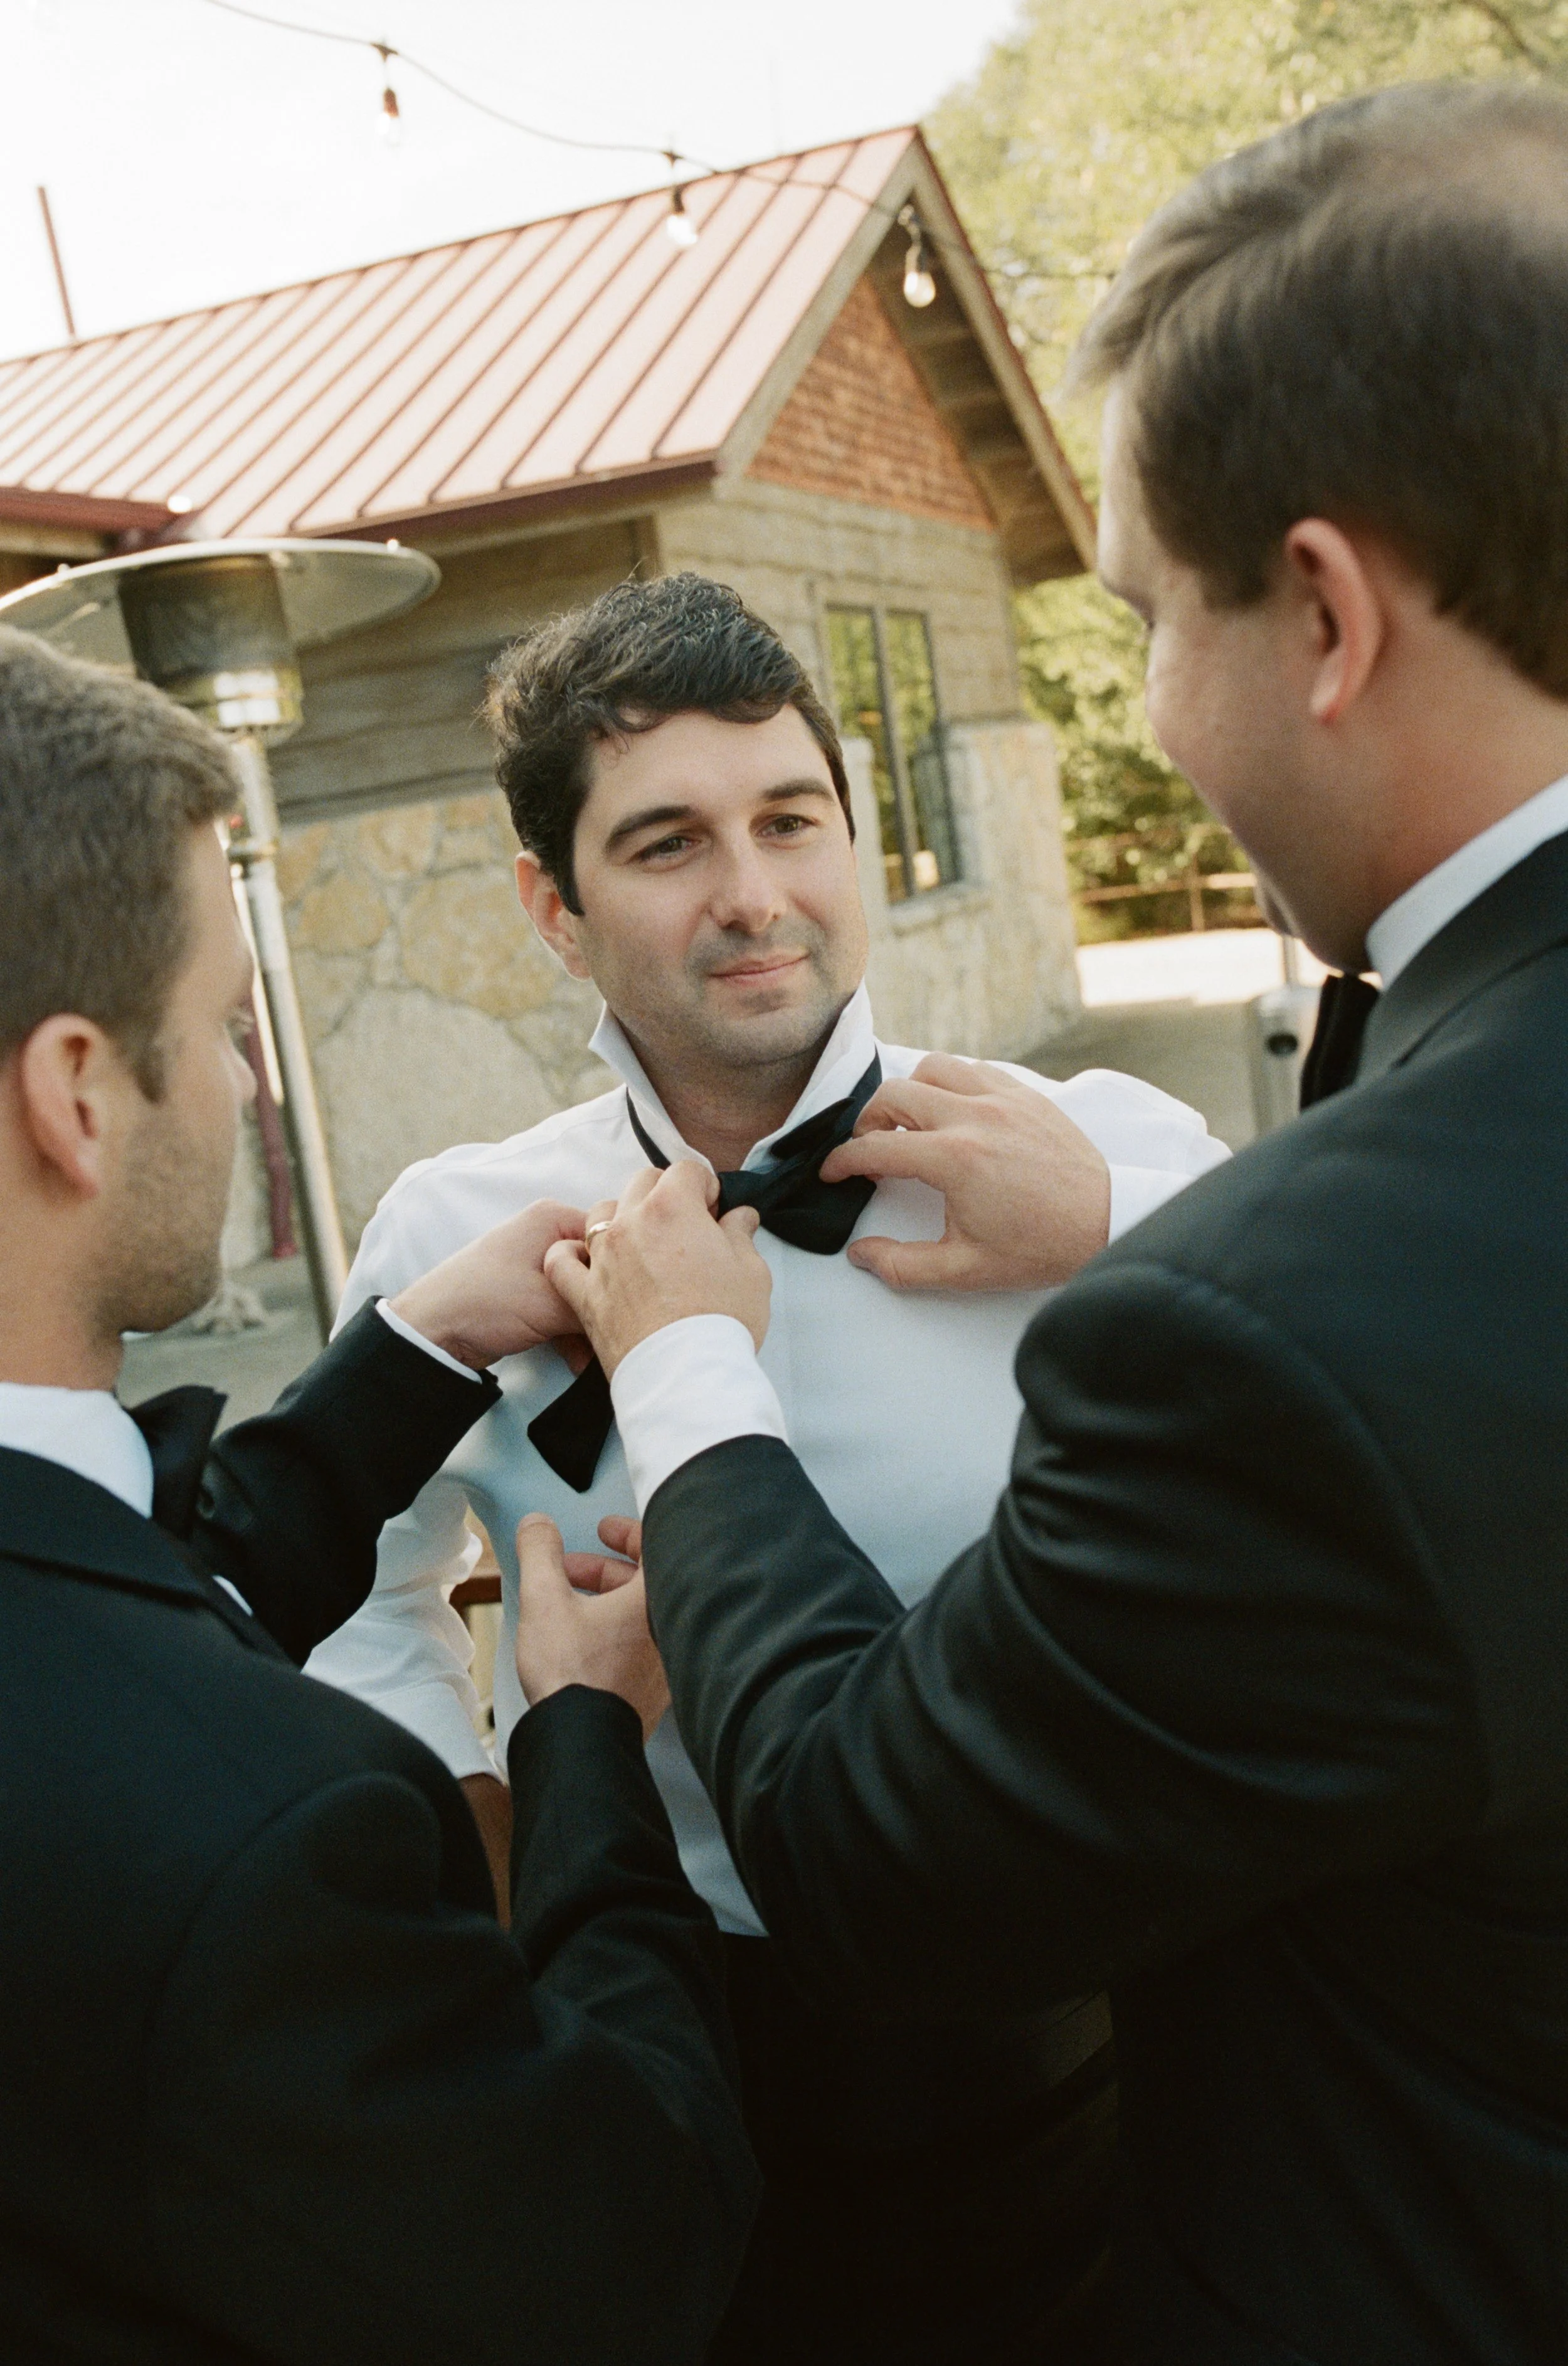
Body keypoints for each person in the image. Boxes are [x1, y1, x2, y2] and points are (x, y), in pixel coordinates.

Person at [534, 80, 1568, 2365]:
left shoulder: (1238, 1312)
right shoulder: (469, 1222)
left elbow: (889, 1857)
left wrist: (689, 1375)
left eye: (1139, 621)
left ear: (1316, 613)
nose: (1157, 717)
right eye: (662, 841)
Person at [306, 571, 1228, 2362]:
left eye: (789, 819)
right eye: (664, 843)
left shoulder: (1106, 1147)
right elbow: (349, 1577)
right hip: (668, 2024)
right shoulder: (461, 1229)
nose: (751, 894)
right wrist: (482, 1857)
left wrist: (1119, 1226)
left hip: (1094, 2006)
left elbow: (1384, 1361)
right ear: (550, 909)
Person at [0, 625, 755, 2363]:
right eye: (229, 1026)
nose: (258, 1080)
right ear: (77, 1093)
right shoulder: (266, 1843)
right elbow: (625, 2245)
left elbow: (118, 1603)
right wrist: (582, 1740)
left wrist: (414, 1347)